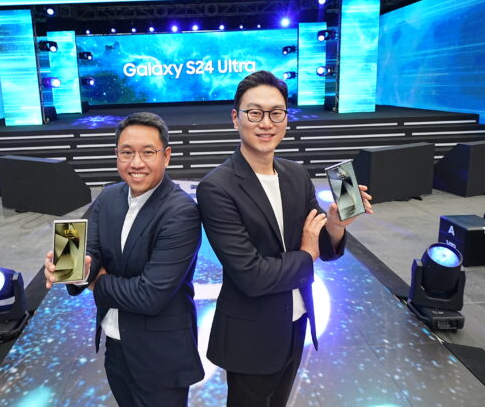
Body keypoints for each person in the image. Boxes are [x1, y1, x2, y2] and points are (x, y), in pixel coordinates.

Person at [196, 71, 373, 407]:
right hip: (251, 334)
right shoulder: (217, 187)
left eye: (276, 113)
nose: (266, 123)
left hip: (296, 321)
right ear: (235, 118)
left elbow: (321, 246)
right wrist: (305, 255)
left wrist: (335, 225)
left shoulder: (296, 174)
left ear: (286, 119)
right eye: (254, 113)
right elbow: (250, 274)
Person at [43, 112, 204, 407]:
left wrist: (97, 282)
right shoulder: (109, 197)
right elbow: (92, 252)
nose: (136, 163)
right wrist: (74, 269)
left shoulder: (181, 212)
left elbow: (149, 295)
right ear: (117, 155)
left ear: (166, 156)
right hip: (116, 345)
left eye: (148, 152)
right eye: (127, 153)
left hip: (161, 357)